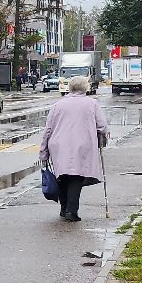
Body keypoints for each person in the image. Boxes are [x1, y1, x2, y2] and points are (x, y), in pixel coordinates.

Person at [40, 75, 109, 222]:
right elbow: (102, 126)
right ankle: (71, 211)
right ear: (86, 87)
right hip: (81, 145)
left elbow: (48, 129)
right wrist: (103, 135)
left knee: (63, 176)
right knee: (76, 177)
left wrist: (43, 151)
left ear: (70, 88)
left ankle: (64, 208)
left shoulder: (58, 105)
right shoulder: (92, 104)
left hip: (58, 146)